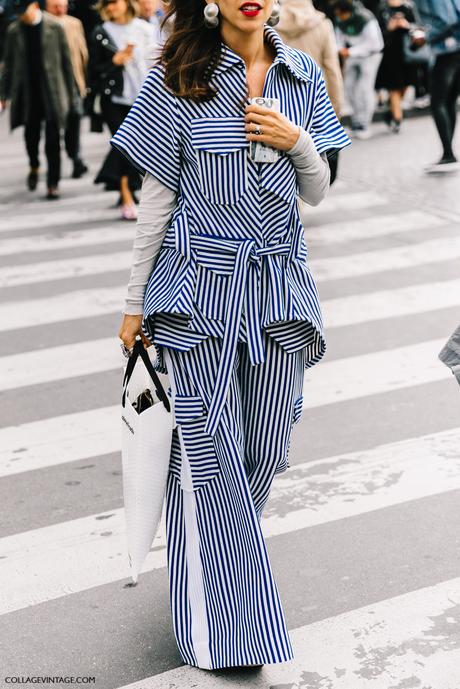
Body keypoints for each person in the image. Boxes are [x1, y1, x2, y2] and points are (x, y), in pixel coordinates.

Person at [115, 0, 350, 670]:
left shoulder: (301, 74)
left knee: (266, 446)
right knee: (209, 455)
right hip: (198, 292)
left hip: (277, 290)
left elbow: (319, 189)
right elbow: (158, 200)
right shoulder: (179, 74)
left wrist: (295, 141)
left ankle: (208, 571)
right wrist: (134, 304)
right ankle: (215, 624)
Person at [87, 0, 159, 219]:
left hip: (143, 98)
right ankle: (126, 195)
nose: (110, 7)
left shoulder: (145, 29)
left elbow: (156, 63)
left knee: (138, 147)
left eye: (114, 2)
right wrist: (114, 62)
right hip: (114, 99)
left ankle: (121, 185)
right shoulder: (102, 32)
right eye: (106, 4)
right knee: (122, 146)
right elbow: (93, 70)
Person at [0, 0, 76, 198]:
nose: (20, 16)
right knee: (31, 138)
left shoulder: (54, 26)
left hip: (52, 92)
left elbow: (66, 62)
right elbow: (7, 65)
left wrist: (71, 94)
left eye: (22, 11)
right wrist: (3, 95)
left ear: (34, 6)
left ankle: (53, 183)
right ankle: (34, 166)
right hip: (27, 93)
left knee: (53, 141)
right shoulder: (14, 31)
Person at [277, 0, 344, 182]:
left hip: (279, 106)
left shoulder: (271, 24)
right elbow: (332, 71)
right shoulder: (322, 24)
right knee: (310, 169)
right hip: (313, 106)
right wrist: (335, 109)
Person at [412, 0, 460, 172]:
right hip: (454, 49)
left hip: (447, 51)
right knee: (448, 102)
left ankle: (449, 155)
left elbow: (448, 20)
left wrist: (425, 37)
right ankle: (449, 154)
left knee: (438, 102)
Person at [46, 0, 89, 178]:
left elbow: (82, 53)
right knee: (53, 129)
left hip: (74, 82)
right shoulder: (44, 25)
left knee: (74, 121)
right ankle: (53, 174)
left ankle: (75, 157)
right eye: (55, 5)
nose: (60, 9)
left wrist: (84, 81)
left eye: (63, 5)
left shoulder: (74, 23)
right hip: (53, 87)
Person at [333, 0, 384, 138]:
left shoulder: (365, 18)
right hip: (353, 54)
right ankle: (356, 122)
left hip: (370, 55)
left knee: (364, 89)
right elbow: (338, 39)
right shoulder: (340, 20)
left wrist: (350, 51)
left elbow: (373, 44)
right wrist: (341, 49)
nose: (339, 17)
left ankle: (364, 124)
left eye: (341, 14)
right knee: (348, 88)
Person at [376, 0, 419, 133]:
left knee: (405, 85)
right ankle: (397, 118)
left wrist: (407, 25)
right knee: (394, 87)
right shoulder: (382, 9)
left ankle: (392, 110)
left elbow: (419, 28)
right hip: (390, 55)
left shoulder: (408, 7)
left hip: (408, 54)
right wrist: (390, 27)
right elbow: (376, 33)